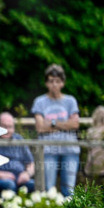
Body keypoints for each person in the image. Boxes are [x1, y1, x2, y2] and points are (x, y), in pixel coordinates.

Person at [31, 63, 80, 196]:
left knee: (69, 190)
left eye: (57, 81)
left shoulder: (70, 101)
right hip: (48, 150)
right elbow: (40, 127)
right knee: (48, 189)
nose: (54, 84)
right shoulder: (39, 102)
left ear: (63, 83)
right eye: (51, 81)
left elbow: (75, 124)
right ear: (46, 83)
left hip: (70, 149)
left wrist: (51, 123)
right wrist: (64, 124)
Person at [0, 111, 35, 198]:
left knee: (33, 184)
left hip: (20, 178)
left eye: (10, 127)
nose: (7, 130)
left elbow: (30, 163)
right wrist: (2, 175)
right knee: (9, 184)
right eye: (4, 127)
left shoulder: (19, 140)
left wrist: (27, 174)